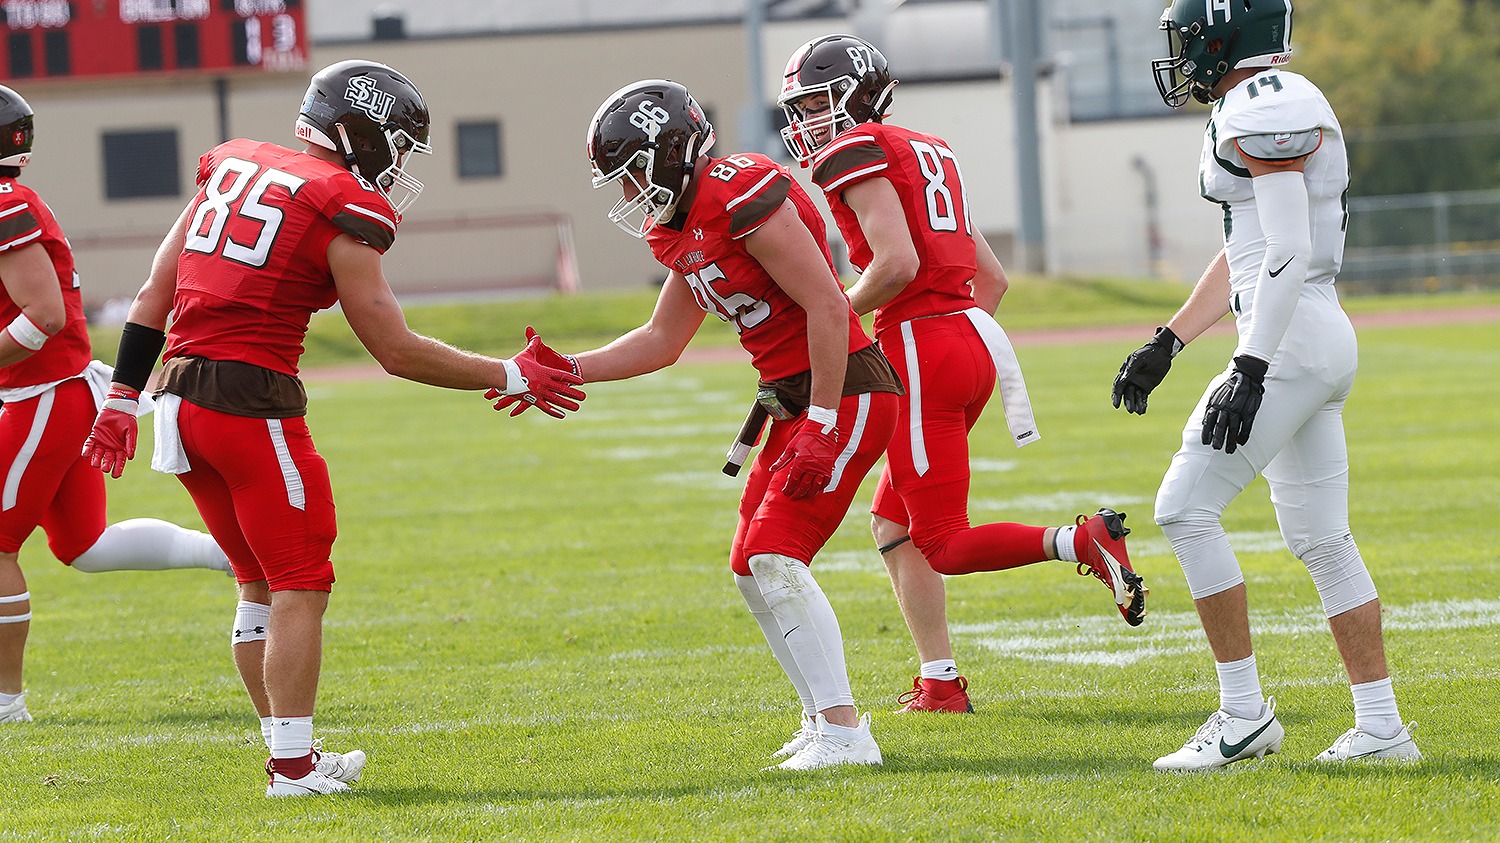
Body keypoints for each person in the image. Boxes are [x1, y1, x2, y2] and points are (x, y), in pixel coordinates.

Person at [80, 60, 585, 796]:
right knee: (300, 581)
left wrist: (121, 396)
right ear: (360, 132)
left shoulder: (232, 165)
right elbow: (397, 349)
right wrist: (509, 373)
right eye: (398, 143)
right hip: (248, 400)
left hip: (175, 395)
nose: (399, 161)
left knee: (256, 582)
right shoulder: (340, 202)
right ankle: (292, 769)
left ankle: (292, 756)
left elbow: (155, 290)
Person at [503, 78, 902, 769]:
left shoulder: (738, 191)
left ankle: (846, 731)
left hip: (846, 390)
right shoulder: (681, 226)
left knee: (775, 554)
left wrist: (823, 422)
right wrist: (566, 367)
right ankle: (819, 719)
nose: (629, 196)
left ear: (667, 154)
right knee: (752, 567)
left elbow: (830, 307)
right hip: (792, 396)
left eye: (631, 175)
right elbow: (661, 339)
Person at [776, 35, 1147, 714]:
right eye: (800, 108)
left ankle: (1080, 539)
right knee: (892, 522)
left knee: (942, 541)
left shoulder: (854, 152)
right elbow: (993, 278)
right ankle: (940, 681)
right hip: (970, 340)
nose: (807, 122)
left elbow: (895, 265)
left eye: (818, 104)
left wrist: (833, 320)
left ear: (857, 97)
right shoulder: (927, 147)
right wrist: (947, 336)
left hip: (920, 348)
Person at [1113, 0, 1419, 771]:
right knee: (1321, 537)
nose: (1183, 55)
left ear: (1226, 36)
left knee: (1184, 509)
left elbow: (1286, 248)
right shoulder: (1258, 105)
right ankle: (1382, 727)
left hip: (1289, 336)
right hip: (1310, 331)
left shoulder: (1268, 104)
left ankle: (1243, 714)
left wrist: (1249, 365)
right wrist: (1171, 339)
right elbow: (1251, 249)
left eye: (1189, 39)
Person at [0, 84, 232, 726]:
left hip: (43, 395)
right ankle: (231, 552)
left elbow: (41, 317)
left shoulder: (6, 205)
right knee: (83, 546)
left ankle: (5, 702)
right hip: (51, 393)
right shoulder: (12, 200)